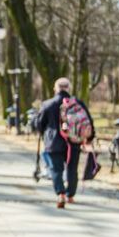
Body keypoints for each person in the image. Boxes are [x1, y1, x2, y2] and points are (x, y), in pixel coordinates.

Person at [32, 77, 95, 208]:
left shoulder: (48, 104)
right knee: (72, 169)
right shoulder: (78, 104)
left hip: (53, 142)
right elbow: (88, 121)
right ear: (68, 88)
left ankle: (60, 193)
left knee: (56, 169)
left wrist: (42, 131)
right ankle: (70, 195)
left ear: (55, 89)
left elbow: (39, 124)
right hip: (73, 142)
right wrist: (88, 138)